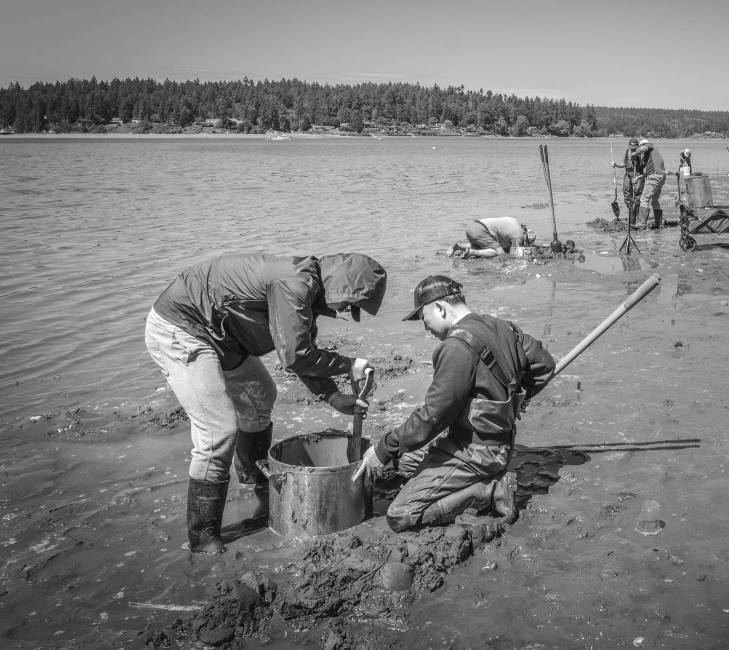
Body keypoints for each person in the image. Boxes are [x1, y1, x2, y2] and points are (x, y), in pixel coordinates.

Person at [145, 252, 387, 554]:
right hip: (183, 328)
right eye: (350, 304)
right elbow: (294, 356)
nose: (344, 311)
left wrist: (334, 397)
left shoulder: (306, 294)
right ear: (341, 286)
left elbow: (302, 353)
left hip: (223, 339)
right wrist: (349, 364)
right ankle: (203, 538)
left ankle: (254, 484)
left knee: (261, 394)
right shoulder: (294, 285)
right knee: (218, 430)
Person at [353, 275, 555, 532]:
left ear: (440, 307)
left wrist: (383, 448)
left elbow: (432, 418)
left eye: (424, 319)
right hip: (495, 443)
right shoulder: (505, 327)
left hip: (476, 453)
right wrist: (520, 397)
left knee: (401, 514)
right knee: (401, 461)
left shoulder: (456, 347)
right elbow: (545, 365)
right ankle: (480, 477)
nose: (425, 328)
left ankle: (490, 489)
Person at [448, 217, 536, 258]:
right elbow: (519, 254)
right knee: (499, 253)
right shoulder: (519, 235)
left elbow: (504, 240)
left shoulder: (515, 222)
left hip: (472, 227)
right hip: (480, 230)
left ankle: (459, 247)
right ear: (525, 236)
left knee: (481, 248)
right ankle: (471, 252)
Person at [632, 138, 668, 229]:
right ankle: (658, 223)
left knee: (644, 198)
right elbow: (648, 173)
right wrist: (638, 178)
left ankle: (641, 223)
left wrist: (634, 154)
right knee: (655, 201)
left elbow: (642, 149)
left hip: (655, 176)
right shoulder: (652, 156)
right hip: (661, 177)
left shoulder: (649, 146)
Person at [612, 138, 645, 226]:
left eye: (635, 147)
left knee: (637, 196)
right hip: (628, 174)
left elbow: (644, 165)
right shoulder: (627, 152)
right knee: (626, 195)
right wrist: (615, 164)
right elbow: (623, 164)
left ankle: (635, 217)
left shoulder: (641, 152)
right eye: (632, 146)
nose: (633, 148)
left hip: (638, 174)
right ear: (629, 145)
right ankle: (631, 212)